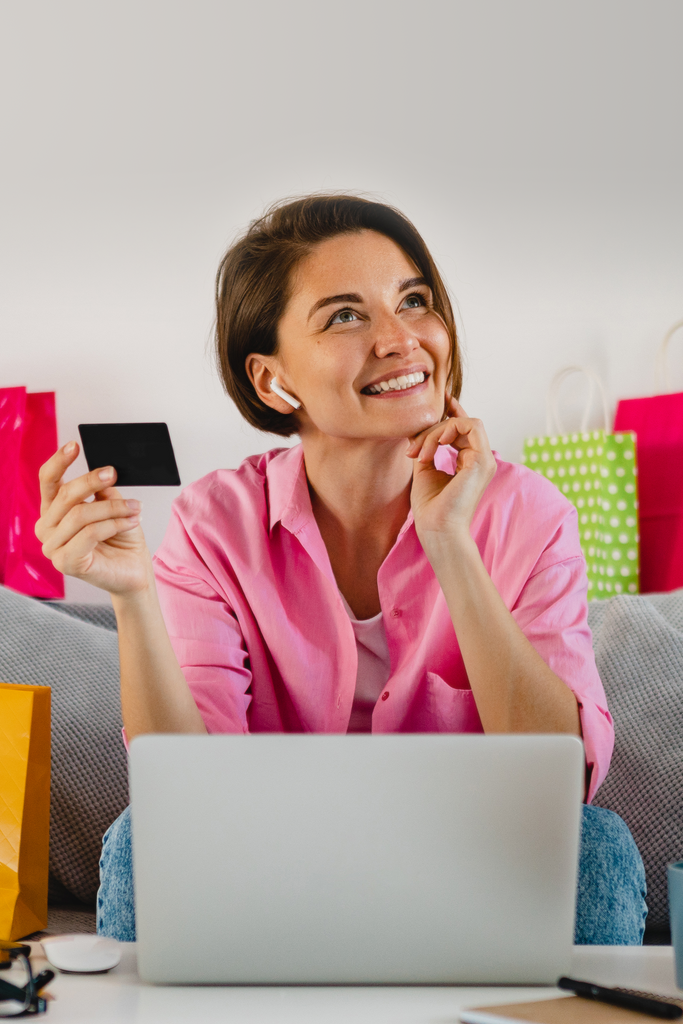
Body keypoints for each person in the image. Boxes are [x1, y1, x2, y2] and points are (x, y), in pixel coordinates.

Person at [36, 194, 646, 945]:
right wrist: (132, 600)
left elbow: (559, 787)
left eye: (414, 301)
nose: (401, 339)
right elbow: (183, 795)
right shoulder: (214, 524)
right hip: (273, 867)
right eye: (345, 316)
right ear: (270, 380)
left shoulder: (528, 515)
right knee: (142, 840)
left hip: (473, 863)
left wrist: (450, 544)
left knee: (596, 850)